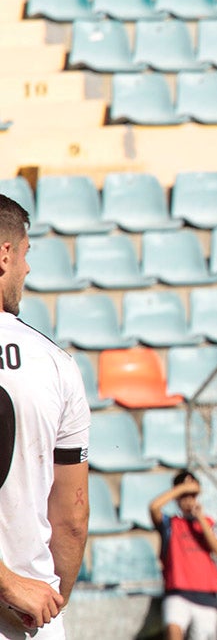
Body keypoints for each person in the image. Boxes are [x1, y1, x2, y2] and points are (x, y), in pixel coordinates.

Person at [0, 194, 91, 640]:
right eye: (26, 254)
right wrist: (38, 596)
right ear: (4, 254)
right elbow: (71, 520)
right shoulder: (55, 364)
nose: (28, 270)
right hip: (27, 619)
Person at [149, 470, 217, 640]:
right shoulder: (170, 524)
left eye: (192, 495)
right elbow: (154, 507)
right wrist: (181, 488)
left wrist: (200, 518)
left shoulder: (208, 523)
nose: (188, 500)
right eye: (184, 496)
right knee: (173, 631)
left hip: (206, 595)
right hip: (178, 593)